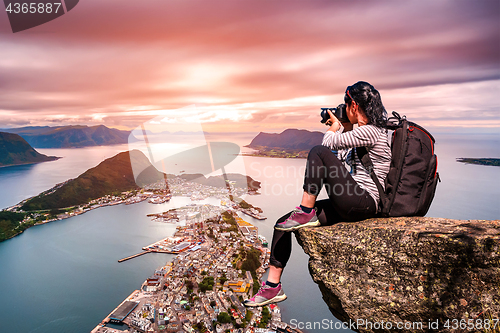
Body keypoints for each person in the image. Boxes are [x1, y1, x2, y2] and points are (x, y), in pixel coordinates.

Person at [243, 81, 391, 307]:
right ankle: (273, 287)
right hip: (353, 200)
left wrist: (334, 127)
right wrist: (343, 128)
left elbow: (326, 145)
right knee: (283, 223)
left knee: (317, 151)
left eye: (345, 104)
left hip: (365, 202)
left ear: (353, 104)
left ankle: (306, 210)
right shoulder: (363, 133)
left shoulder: (372, 131)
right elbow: (338, 161)